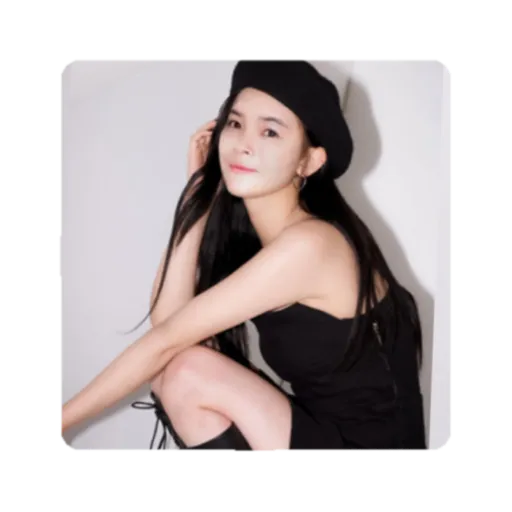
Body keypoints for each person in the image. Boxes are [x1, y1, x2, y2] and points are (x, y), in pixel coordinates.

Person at [61, 58, 427, 456]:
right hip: (321, 436)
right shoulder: (261, 243)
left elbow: (165, 341)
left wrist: (62, 423)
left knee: (187, 370)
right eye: (235, 124)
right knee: (179, 369)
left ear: (308, 161)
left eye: (270, 131)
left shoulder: (311, 246)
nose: (243, 143)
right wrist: (197, 195)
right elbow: (167, 325)